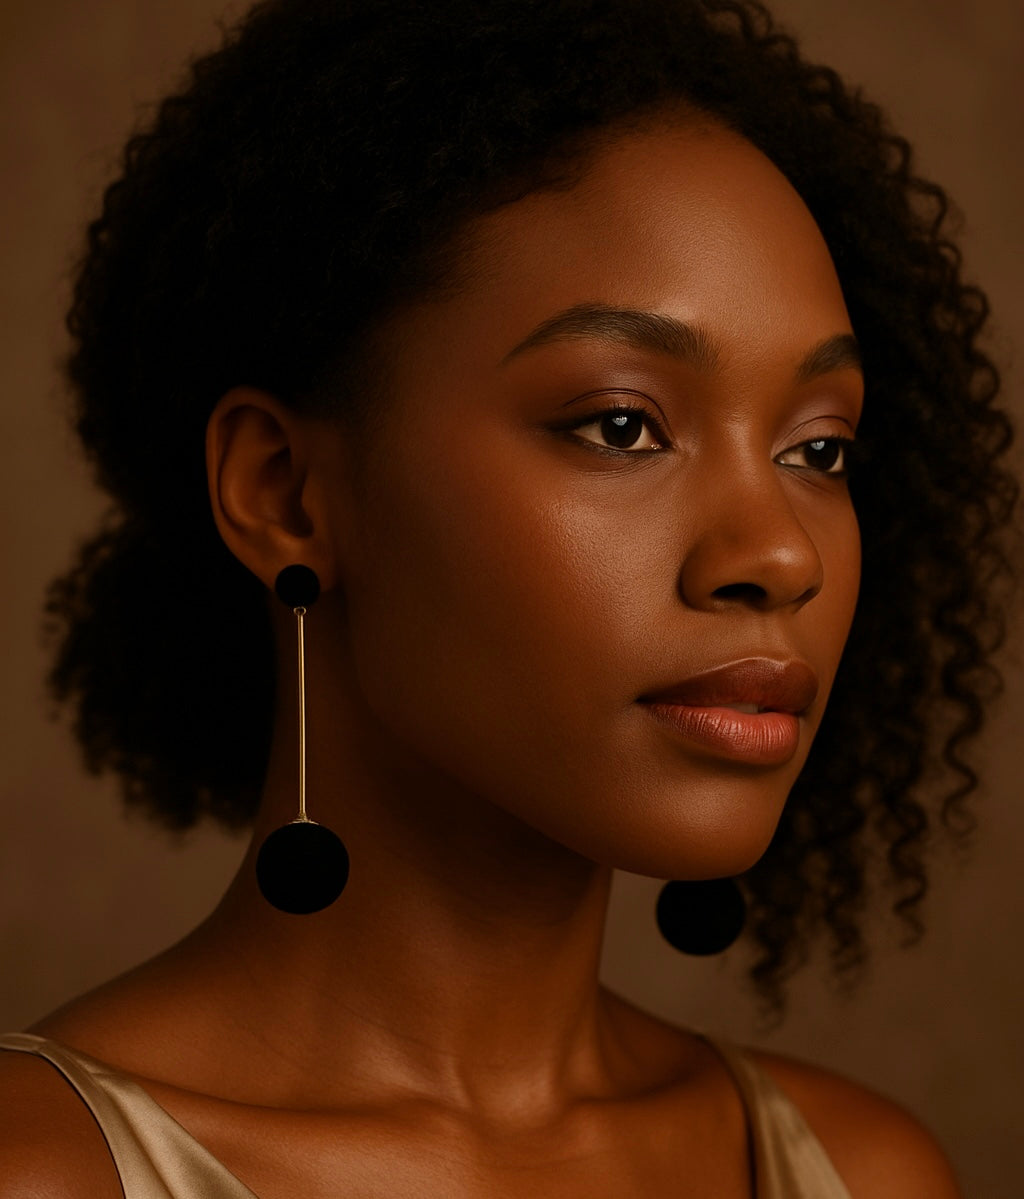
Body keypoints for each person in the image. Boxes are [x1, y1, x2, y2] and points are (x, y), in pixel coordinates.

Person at [1, 0, 1017, 1194]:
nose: (779, 554)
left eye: (819, 448)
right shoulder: (44, 1169)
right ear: (283, 491)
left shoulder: (866, 1171)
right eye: (623, 424)